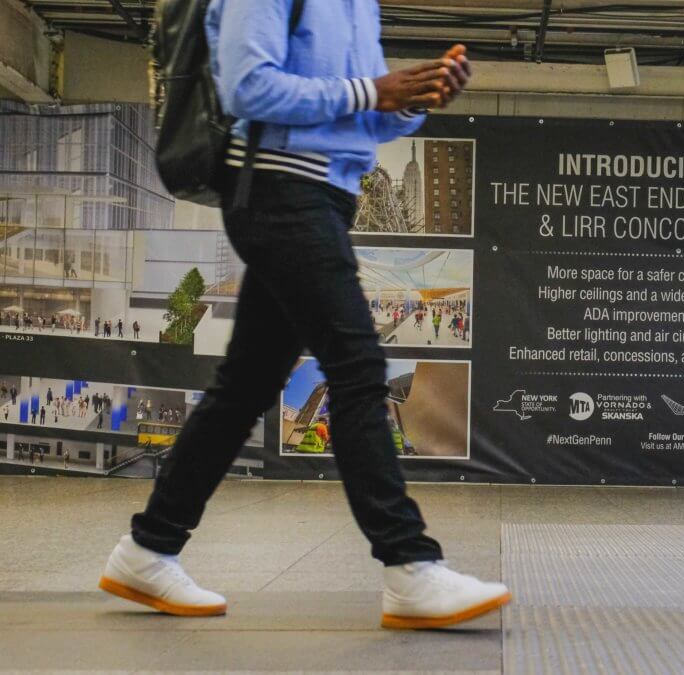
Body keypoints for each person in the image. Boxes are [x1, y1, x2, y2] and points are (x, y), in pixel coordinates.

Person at [99, 0, 508, 630]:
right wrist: (373, 87)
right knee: (358, 365)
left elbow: (366, 119)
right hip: (277, 188)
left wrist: (410, 100)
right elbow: (248, 87)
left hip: (328, 196)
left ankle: (147, 549)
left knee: (247, 386)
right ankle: (409, 566)